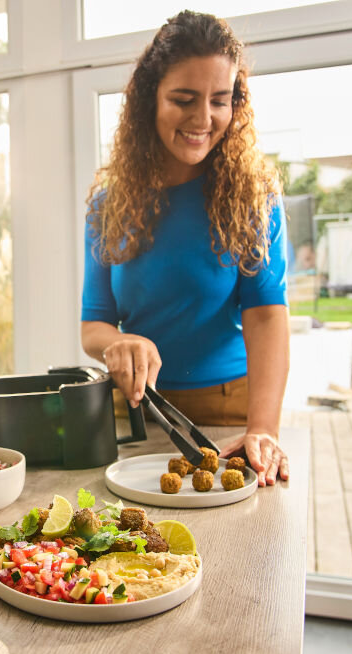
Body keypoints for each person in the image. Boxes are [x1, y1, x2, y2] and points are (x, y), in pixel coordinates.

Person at [80, 10, 290, 487]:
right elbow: (93, 323)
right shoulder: (107, 204)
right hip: (133, 411)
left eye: (220, 100)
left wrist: (263, 427)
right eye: (184, 99)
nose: (203, 119)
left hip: (229, 412)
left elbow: (266, 314)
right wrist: (118, 343)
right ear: (149, 100)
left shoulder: (253, 198)